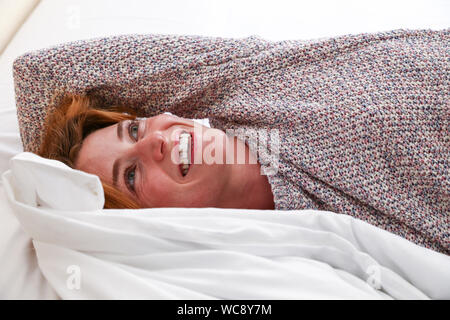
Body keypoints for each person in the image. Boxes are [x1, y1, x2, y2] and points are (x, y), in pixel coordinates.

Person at [15, 30, 448, 254]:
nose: (152, 146)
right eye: (131, 176)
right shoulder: (301, 242)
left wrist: (52, 163)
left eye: (134, 129)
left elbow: (39, 74)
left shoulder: (244, 80)